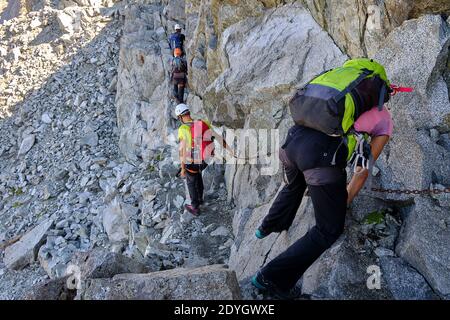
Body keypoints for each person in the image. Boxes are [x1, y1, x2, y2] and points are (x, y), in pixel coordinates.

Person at [251, 58, 398, 299]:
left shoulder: (336, 93)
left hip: (291, 143)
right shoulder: (384, 120)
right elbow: (362, 169)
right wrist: (343, 201)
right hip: (321, 157)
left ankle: (269, 226)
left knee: (294, 185)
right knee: (328, 229)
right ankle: (271, 278)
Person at [175, 103, 235, 216]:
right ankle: (200, 198)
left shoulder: (183, 128)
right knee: (197, 173)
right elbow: (218, 137)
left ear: (180, 117)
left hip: (194, 161)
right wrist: (231, 150)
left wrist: (183, 168)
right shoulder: (202, 122)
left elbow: (182, 150)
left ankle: (194, 207)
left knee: (190, 179)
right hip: (206, 160)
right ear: (188, 112)